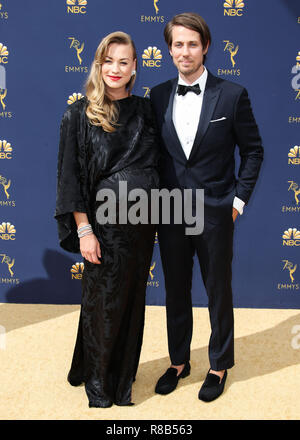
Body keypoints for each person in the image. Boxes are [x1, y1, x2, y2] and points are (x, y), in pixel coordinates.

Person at [150, 13, 263, 401]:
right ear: (169, 49)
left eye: (192, 44)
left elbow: (253, 151)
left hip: (215, 210)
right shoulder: (158, 95)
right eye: (178, 44)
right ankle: (178, 361)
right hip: (170, 212)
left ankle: (218, 365)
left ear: (206, 47)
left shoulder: (232, 95)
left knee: (218, 290)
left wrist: (236, 202)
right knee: (175, 290)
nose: (185, 51)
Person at [54, 31, 159, 408]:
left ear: (134, 67)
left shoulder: (147, 110)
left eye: (124, 62)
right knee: (102, 303)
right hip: (103, 228)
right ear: (99, 64)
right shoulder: (78, 114)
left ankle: (122, 380)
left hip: (143, 226)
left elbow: (160, 163)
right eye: (109, 61)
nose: (116, 69)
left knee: (132, 301)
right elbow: (71, 178)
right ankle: (98, 383)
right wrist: (84, 230)